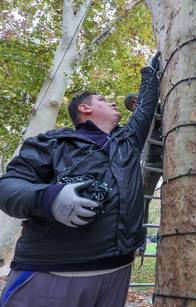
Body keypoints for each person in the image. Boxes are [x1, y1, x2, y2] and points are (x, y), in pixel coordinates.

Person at [0, 52, 160, 307]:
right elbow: (8, 187)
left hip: (116, 273)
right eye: (103, 99)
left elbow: (145, 109)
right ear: (85, 108)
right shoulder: (52, 142)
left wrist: (150, 72)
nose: (113, 103)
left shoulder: (128, 142)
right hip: (49, 273)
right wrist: (49, 198)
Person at [124, 93, 163, 256]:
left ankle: (164, 233)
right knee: (143, 199)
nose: (136, 105)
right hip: (151, 161)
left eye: (136, 100)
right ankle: (141, 241)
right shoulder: (136, 120)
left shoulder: (158, 107)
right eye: (132, 104)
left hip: (170, 154)